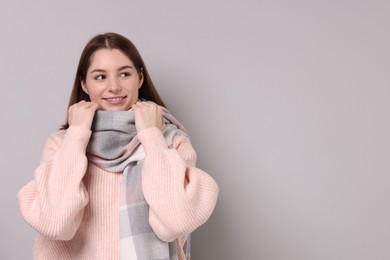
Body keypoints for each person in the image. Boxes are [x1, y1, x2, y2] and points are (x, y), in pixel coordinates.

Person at [17, 32, 219, 260]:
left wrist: (151, 135)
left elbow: (176, 222)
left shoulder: (170, 141)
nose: (114, 87)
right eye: (100, 77)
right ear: (84, 84)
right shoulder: (62, 144)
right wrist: (77, 135)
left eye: (124, 74)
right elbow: (55, 224)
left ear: (139, 78)